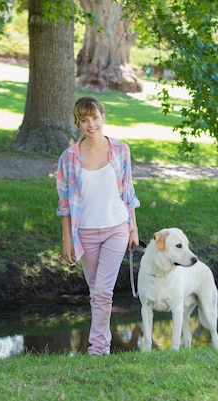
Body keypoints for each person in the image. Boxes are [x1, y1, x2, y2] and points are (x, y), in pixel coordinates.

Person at [56, 96, 140, 355]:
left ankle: (98, 349)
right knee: (97, 293)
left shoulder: (120, 150)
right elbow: (65, 204)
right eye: (84, 120)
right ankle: (100, 347)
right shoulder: (69, 157)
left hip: (117, 227)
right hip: (86, 232)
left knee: (103, 291)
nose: (90, 124)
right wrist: (67, 239)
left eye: (94, 117)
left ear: (102, 116)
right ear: (78, 123)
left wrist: (133, 227)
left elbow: (128, 192)